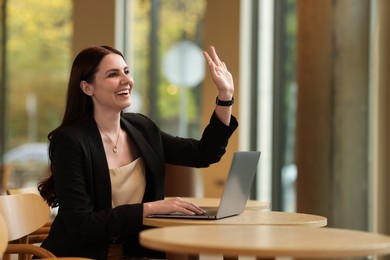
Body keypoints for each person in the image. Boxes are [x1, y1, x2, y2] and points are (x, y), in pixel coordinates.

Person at [38, 45, 238, 260]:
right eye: (113, 74)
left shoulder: (141, 128)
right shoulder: (70, 141)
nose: (126, 80)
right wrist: (150, 208)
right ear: (88, 88)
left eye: (126, 71)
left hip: (134, 253)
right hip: (79, 256)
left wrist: (225, 96)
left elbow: (204, 154)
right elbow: (81, 224)